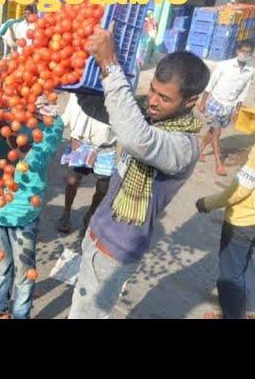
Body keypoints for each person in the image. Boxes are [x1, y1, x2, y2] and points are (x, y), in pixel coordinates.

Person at [67, 24, 211, 319]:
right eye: (153, 91)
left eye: (165, 98)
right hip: (97, 231)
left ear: (191, 101)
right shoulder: (149, 114)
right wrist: (77, 74)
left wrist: (110, 64)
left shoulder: (183, 146)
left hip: (117, 250)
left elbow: (137, 138)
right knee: (81, 306)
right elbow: (103, 106)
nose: (154, 102)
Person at [0, 96, 64, 319]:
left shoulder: (52, 124)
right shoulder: (4, 110)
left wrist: (10, 129)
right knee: (1, 263)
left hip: (24, 212)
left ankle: (21, 314)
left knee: (23, 273)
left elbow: (32, 162)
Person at [196, 92, 255, 320]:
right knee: (245, 261)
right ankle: (254, 310)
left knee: (229, 276)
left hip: (243, 221)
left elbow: (238, 191)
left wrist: (207, 203)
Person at [57, 93, 117, 237]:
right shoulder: (81, 84)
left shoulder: (116, 85)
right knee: (73, 180)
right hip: (80, 141)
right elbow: (69, 113)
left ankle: (90, 214)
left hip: (105, 144)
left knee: (103, 186)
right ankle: (66, 212)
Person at [198, 40, 255, 176]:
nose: (245, 54)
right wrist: (203, 102)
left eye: (248, 52)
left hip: (229, 107)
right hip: (215, 103)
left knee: (213, 131)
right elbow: (211, 83)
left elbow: (243, 93)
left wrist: (237, 110)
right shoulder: (225, 65)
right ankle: (219, 164)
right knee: (217, 132)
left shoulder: (249, 72)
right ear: (237, 51)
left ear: (251, 54)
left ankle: (199, 150)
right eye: (243, 51)